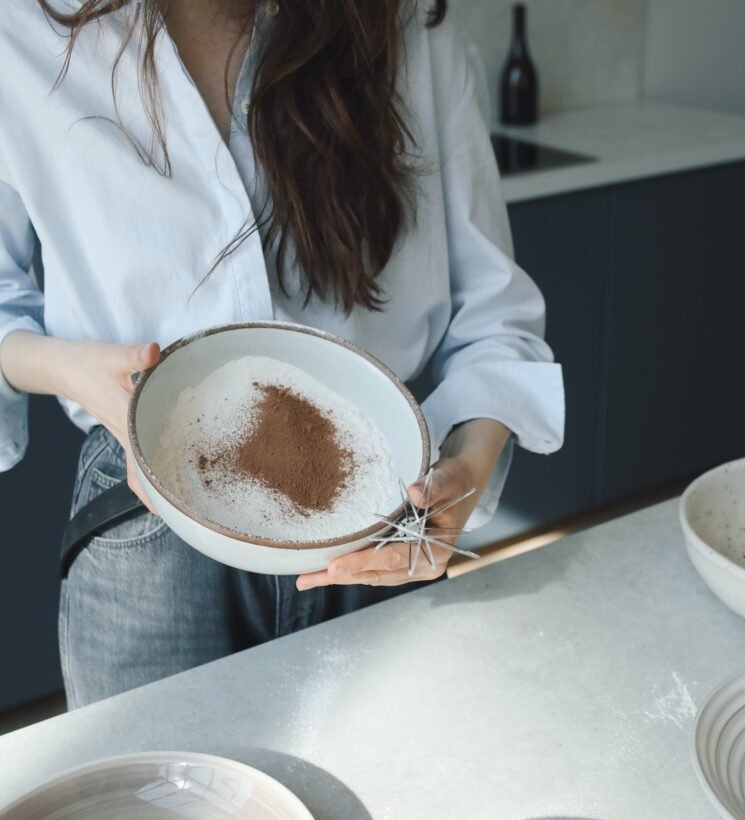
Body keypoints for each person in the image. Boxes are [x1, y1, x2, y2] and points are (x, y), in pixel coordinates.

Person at [0, 0, 564, 709]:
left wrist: (469, 466)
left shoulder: (404, 22)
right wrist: (72, 370)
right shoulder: (20, 28)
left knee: (388, 804)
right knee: (170, 818)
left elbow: (493, 312)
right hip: (148, 523)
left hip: (378, 515)